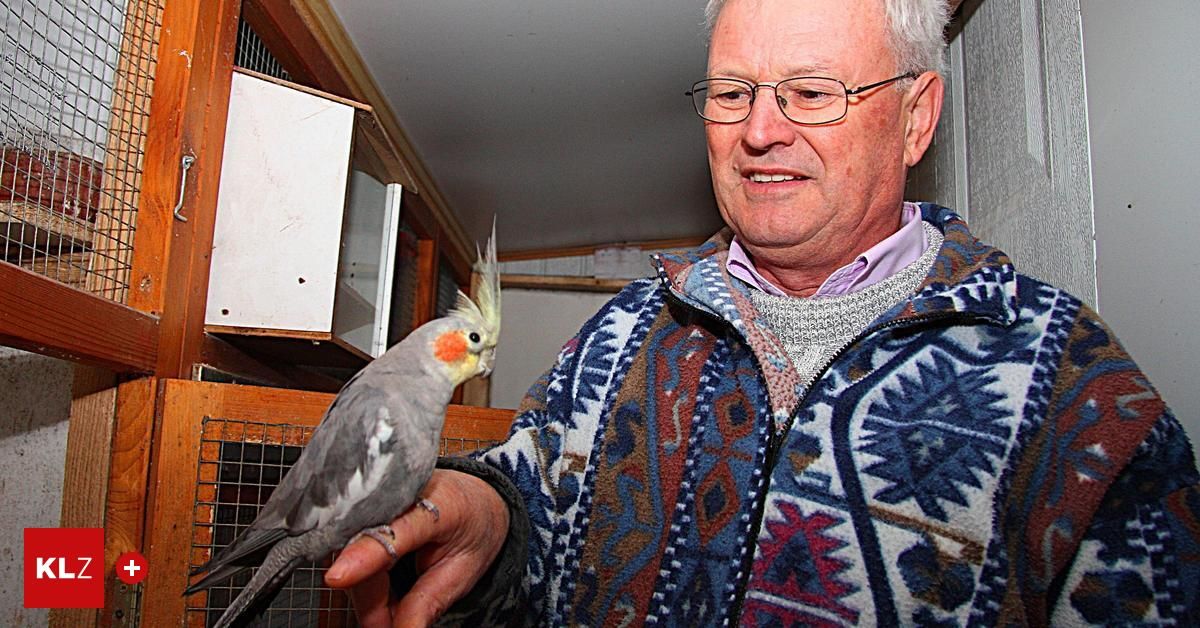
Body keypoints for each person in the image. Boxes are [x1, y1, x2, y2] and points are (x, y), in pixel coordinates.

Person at [326, 0, 1200, 625]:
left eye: (813, 92)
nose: (759, 132)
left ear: (915, 117)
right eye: (732, 91)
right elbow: (533, 491)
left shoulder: (1075, 392)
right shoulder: (623, 329)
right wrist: (490, 517)